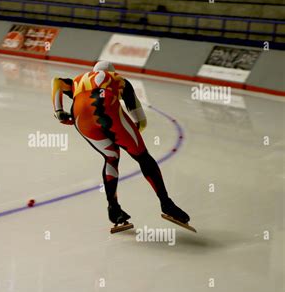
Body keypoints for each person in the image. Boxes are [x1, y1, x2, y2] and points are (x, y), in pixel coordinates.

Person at [51, 61, 190, 227]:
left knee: (111, 157)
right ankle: (167, 204)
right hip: (106, 108)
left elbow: (56, 81)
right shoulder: (118, 79)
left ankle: (114, 209)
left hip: (80, 117)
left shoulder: (78, 80)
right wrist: (133, 133)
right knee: (143, 157)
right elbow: (141, 120)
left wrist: (59, 111)